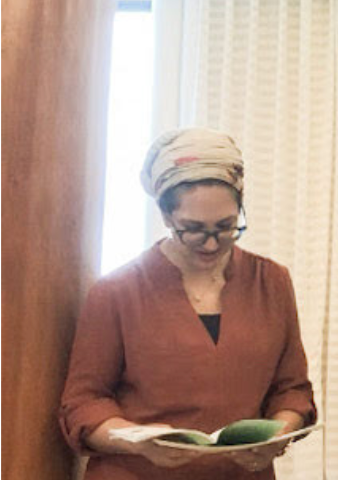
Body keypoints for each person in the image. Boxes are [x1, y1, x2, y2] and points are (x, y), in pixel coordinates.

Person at [59, 128, 317, 479]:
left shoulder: (271, 282)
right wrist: (136, 441)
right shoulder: (116, 292)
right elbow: (82, 404)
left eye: (226, 226)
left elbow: (292, 390)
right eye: (192, 229)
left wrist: (279, 432)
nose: (211, 244)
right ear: (166, 217)